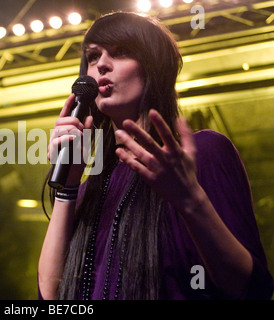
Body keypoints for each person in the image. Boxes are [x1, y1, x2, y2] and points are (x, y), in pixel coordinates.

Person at [38, 11, 273, 300]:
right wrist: (69, 187)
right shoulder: (91, 190)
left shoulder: (204, 153)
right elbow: (51, 297)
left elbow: (251, 289)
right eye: (93, 56)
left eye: (122, 52)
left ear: (154, 67)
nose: (101, 65)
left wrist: (190, 200)